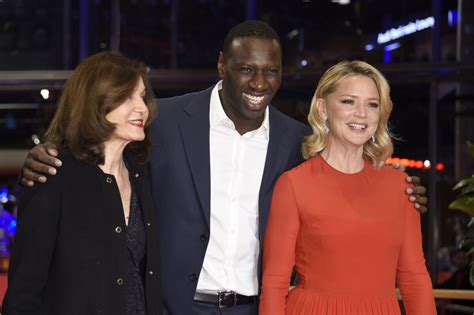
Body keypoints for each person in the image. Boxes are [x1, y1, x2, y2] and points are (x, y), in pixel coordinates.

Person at [19, 22, 427, 315]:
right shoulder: (165, 121)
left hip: (253, 307)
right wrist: (51, 152)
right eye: (246, 68)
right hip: (173, 305)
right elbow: (105, 144)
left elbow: (347, 188)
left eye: (271, 71)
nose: (259, 82)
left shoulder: (296, 143)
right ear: (222, 66)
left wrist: (404, 193)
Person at [259, 60, 436, 315]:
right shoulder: (293, 184)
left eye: (372, 104)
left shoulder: (401, 187)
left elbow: (415, 278)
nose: (361, 114)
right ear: (322, 108)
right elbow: (275, 283)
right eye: (348, 101)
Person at [2, 52, 162, 314]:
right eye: (126, 97)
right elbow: (24, 292)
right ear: (95, 103)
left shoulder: (141, 174)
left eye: (142, 96)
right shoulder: (53, 178)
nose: (142, 108)